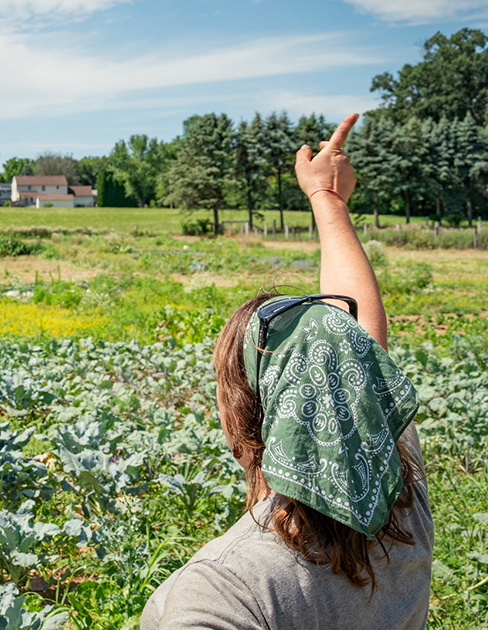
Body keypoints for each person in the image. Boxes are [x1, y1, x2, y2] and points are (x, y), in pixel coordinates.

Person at [141, 114, 434, 630]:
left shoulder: (225, 589)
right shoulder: (397, 500)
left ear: (247, 416)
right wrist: (328, 199)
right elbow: (358, 346)